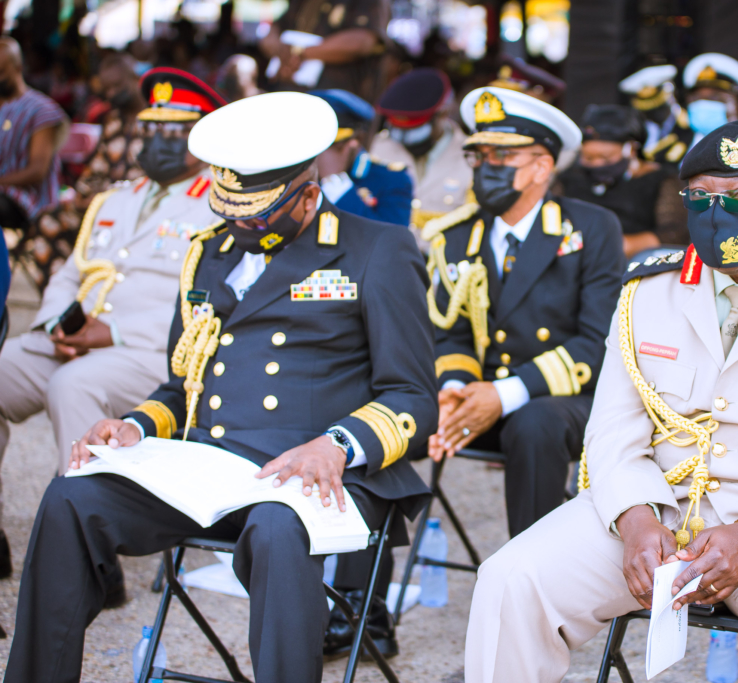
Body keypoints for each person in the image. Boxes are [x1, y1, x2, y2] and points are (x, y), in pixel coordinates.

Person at [4, 91, 436, 682]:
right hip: (211, 471)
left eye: (257, 215)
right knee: (71, 496)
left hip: (313, 472)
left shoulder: (376, 250)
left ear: (308, 194)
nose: (242, 226)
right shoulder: (209, 254)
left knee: (278, 527)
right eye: (231, 213)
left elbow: (411, 397)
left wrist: (335, 444)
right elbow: (182, 385)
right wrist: (133, 425)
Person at [464, 120, 738, 683]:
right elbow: (612, 434)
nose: (719, 212)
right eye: (702, 197)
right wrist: (632, 518)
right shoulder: (647, 290)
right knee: (509, 579)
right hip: (661, 507)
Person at [0, 67, 224, 581]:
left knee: (71, 385)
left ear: (200, 137)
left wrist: (113, 333)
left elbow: (204, 297)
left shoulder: (217, 208)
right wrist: (58, 325)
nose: (157, 143)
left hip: (149, 350)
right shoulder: (115, 198)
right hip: (79, 339)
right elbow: (70, 272)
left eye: (173, 132)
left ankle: (88, 557)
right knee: (7, 365)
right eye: (152, 130)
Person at [425, 86, 623, 538]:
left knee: (535, 426)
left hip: (560, 401)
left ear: (543, 166)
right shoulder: (457, 235)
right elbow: (450, 333)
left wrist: (504, 395)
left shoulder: (590, 228)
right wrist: (454, 390)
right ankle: (362, 597)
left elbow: (595, 343)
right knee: (396, 412)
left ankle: (530, 582)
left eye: (502, 158)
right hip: (477, 397)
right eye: (480, 157)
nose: (486, 169)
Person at [23, 53, 145, 291]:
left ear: (135, 78)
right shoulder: (113, 120)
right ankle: (61, 302)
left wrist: (107, 196)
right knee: (47, 222)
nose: (110, 95)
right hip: (97, 204)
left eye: (117, 87)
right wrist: (84, 193)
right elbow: (96, 168)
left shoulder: (155, 122)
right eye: (106, 89)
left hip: (133, 208)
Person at [557, 104, 686, 256]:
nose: (597, 164)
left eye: (606, 158)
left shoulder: (662, 180)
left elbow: (675, 233)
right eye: (588, 158)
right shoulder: (570, 178)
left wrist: (613, 246)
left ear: (631, 149)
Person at [370, 67, 472, 237]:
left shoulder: (470, 155)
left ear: (443, 114)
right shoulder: (378, 148)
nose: (405, 139)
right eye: (398, 130)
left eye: (415, 130)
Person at [311, 88, 412, 228]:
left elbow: (391, 242)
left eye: (331, 145)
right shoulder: (296, 173)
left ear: (357, 139)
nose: (318, 154)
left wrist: (335, 182)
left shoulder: (391, 180)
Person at [0, 37, 67, 235]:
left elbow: (37, 171)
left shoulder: (41, 109)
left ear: (19, 67)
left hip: (26, 201)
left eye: (2, 72)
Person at [261, 0, 388, 102]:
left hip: (339, 102)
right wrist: (281, 51)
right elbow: (272, 32)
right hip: (289, 94)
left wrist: (300, 53)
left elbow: (362, 41)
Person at [618, 64, 693, 166]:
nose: (655, 115)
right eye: (648, 111)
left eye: (660, 108)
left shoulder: (691, 123)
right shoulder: (635, 130)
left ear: (671, 98)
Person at [681, 52, 738, 146]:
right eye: (697, 98)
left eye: (715, 98)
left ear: (737, 107)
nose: (704, 105)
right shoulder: (672, 152)